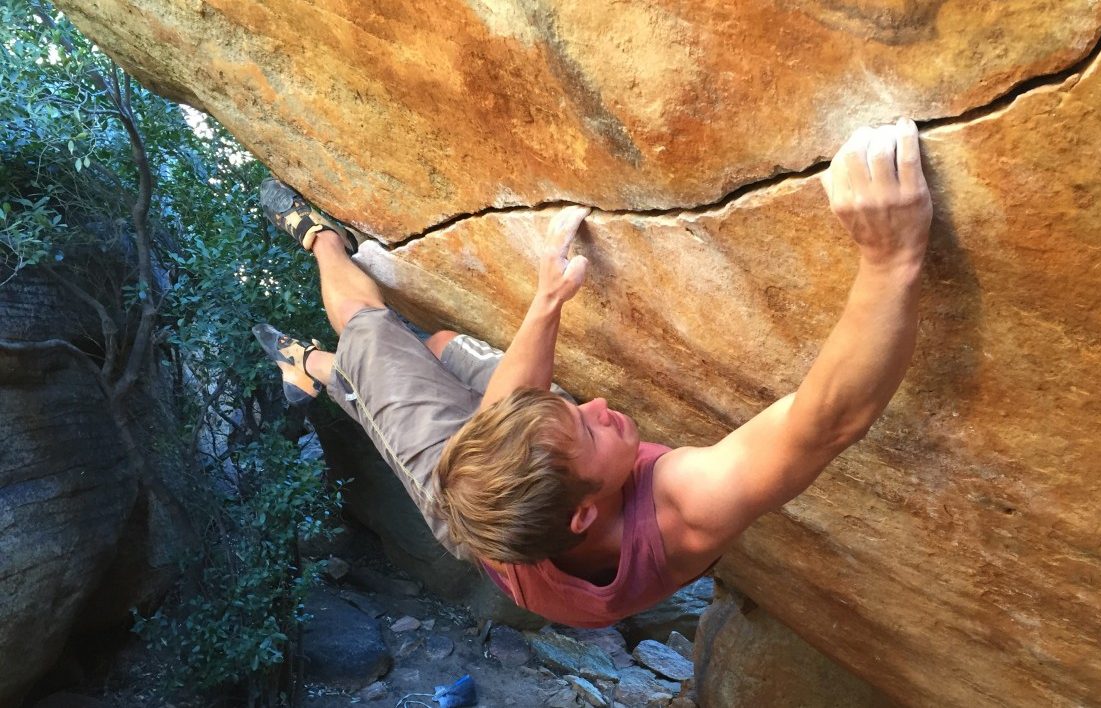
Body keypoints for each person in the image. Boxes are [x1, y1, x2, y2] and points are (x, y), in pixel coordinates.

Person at [255, 118, 932, 628]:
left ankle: (315, 322)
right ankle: (315, 311)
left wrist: (548, 300)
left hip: (459, 495)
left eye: (575, 409)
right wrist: (891, 259)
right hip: (490, 513)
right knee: (371, 338)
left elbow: (512, 408)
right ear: (583, 511)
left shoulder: (503, 481)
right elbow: (827, 421)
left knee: (404, 344)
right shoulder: (683, 511)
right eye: (590, 427)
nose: (599, 401)